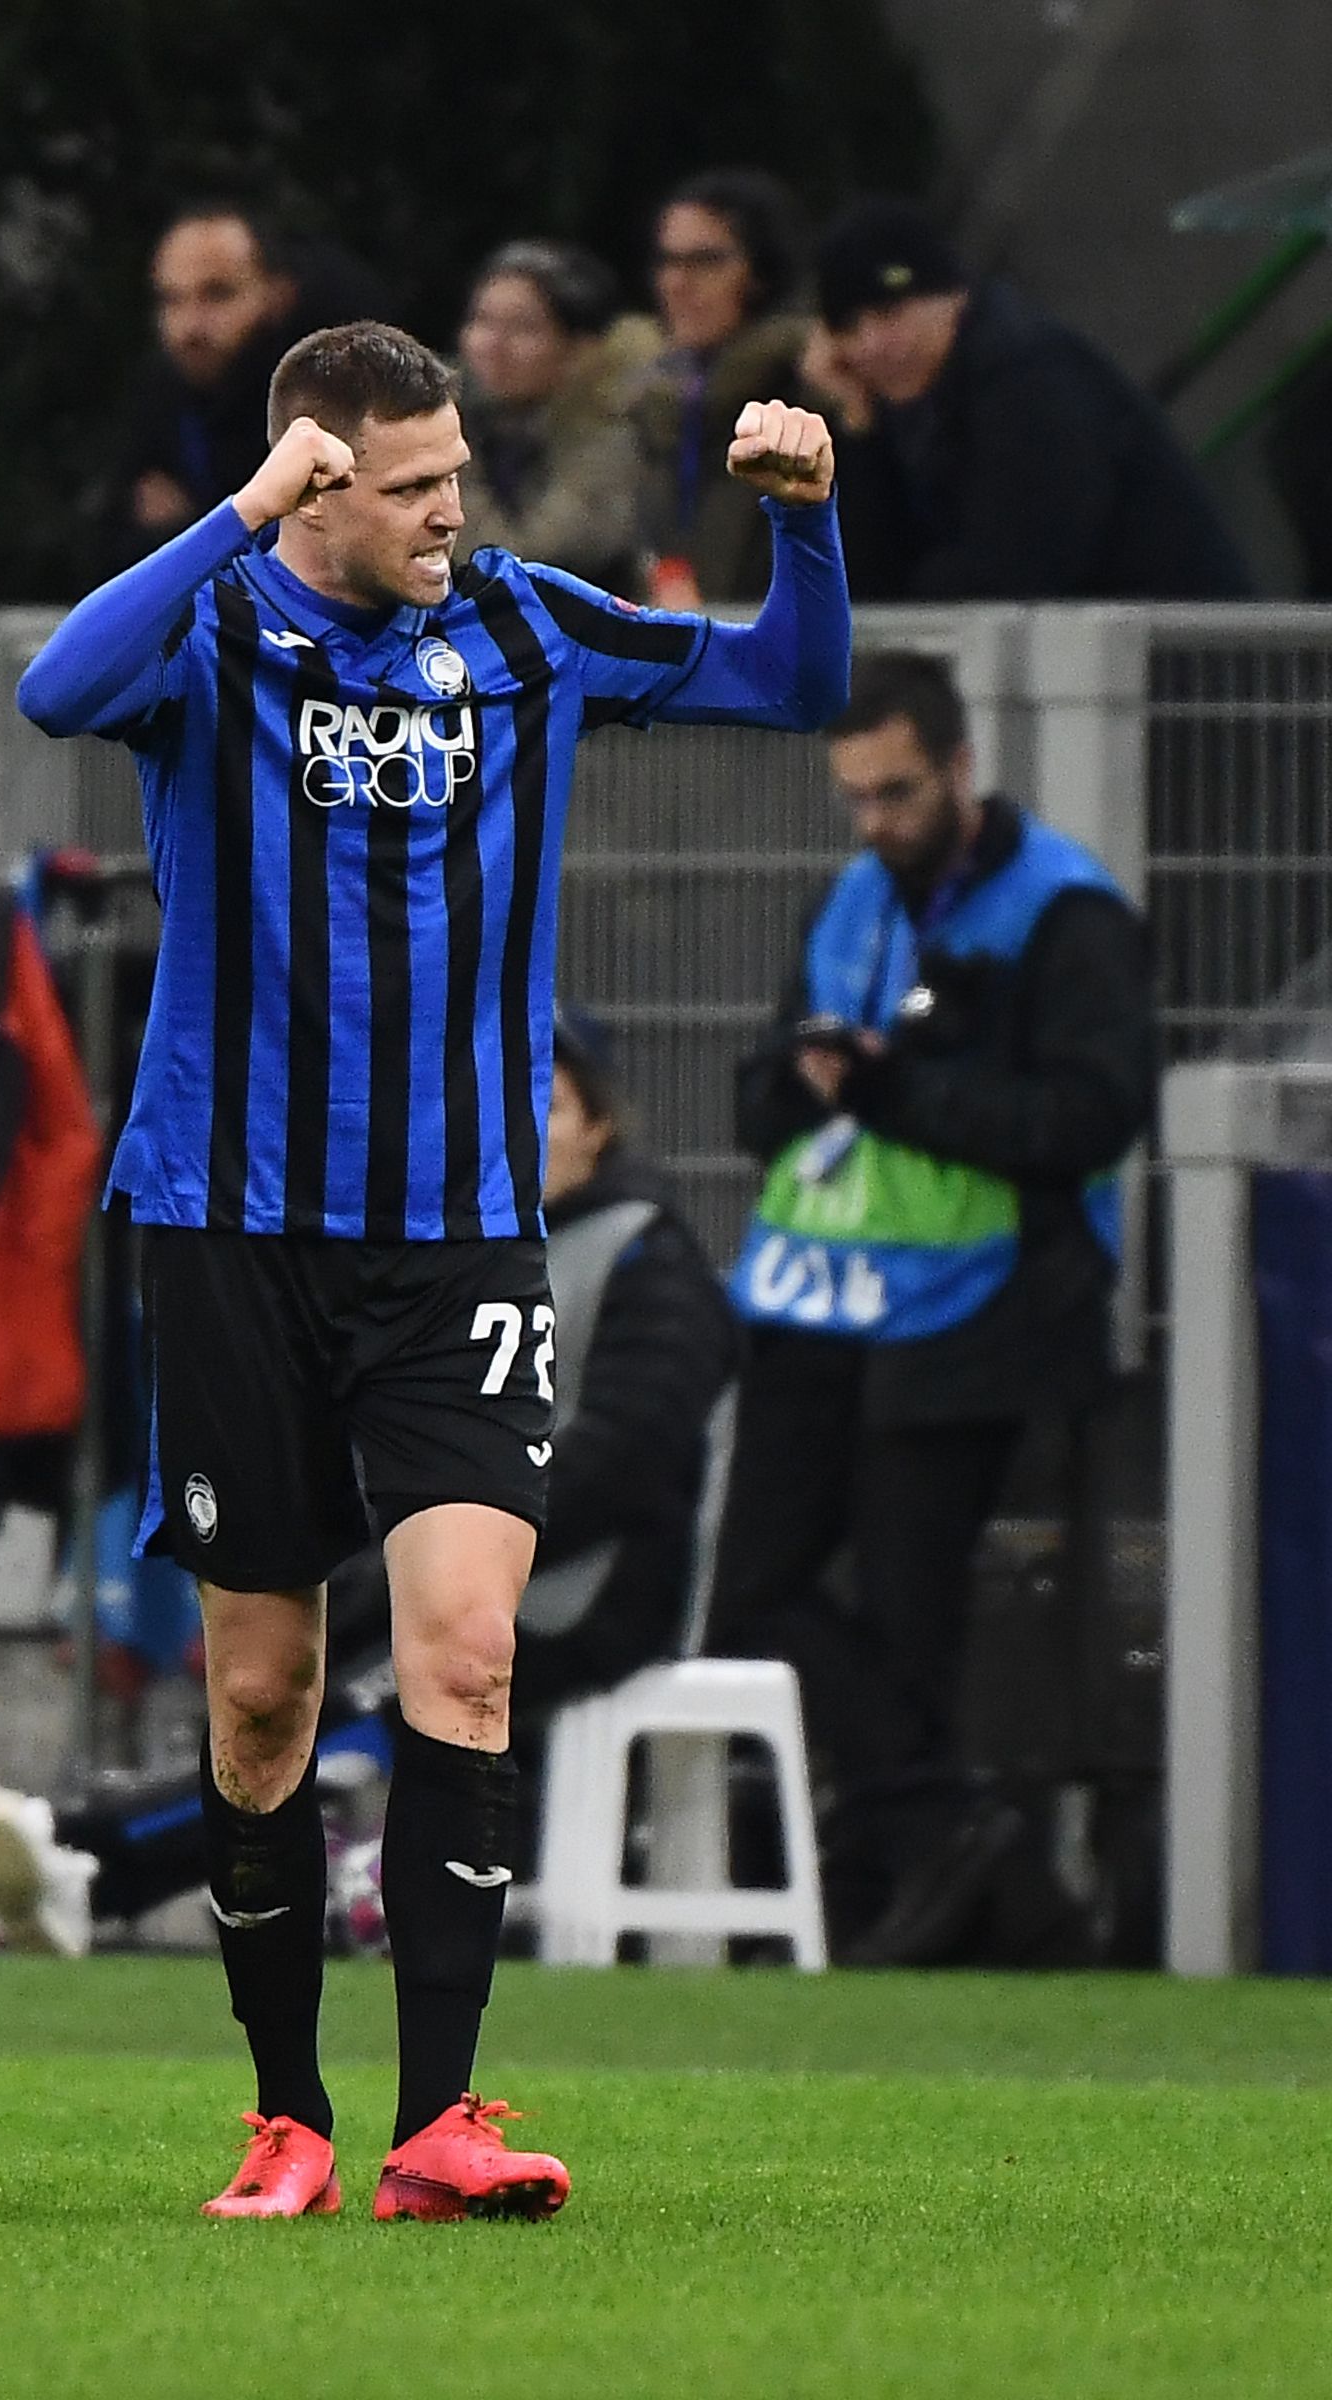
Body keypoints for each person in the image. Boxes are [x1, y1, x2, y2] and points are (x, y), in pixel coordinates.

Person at [17, 321, 847, 2220]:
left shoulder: (526, 628)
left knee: (468, 1651)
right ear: (315, 487)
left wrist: (806, 521)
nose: (449, 512)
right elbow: (61, 688)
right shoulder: (216, 628)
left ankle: (442, 2122)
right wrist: (238, 512)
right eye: (408, 488)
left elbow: (794, 679)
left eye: (456, 473)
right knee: (261, 1692)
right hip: (231, 1228)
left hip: (459, 1233)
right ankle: (287, 2120)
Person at [0, 1014, 740, 1954]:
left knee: (370, 1702)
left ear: (598, 1127)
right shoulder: (474, 1256)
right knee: (294, 1660)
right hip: (474, 1576)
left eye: (548, 1104)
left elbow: (626, 1459)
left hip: (593, 1594)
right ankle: (85, 1873)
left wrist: (451, 1550)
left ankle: (77, 1855)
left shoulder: (648, 1257)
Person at [705, 649, 1150, 1953]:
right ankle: (952, 1837)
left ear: (961, 767)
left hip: (975, 1313)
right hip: (820, 1296)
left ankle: (926, 1890)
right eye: (854, 796)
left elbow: (1091, 1120)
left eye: (896, 794)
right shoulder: (853, 898)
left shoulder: (1066, 915)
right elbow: (764, 1100)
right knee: (753, 1596)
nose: (875, 823)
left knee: (912, 1622)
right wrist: (799, 1086)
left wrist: (895, 1089)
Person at [805, 197, 1248, 602]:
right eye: (848, 328)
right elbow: (863, 586)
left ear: (954, 298)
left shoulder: (1026, 376)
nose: (872, 344)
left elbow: (1011, 570)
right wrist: (858, 422)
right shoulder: (909, 407)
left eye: (890, 313)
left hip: (1183, 654)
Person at [114, 204, 395, 554]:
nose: (190, 325)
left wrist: (183, 524)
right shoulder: (159, 397)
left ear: (279, 293)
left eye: (217, 294)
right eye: (172, 299)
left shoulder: (328, 396)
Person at [630, 169, 815, 608]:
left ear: (762, 272)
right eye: (668, 261)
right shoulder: (654, 400)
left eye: (706, 261)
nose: (677, 282)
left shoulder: (807, 395)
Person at [457, 241, 654, 594]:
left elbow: (529, 564)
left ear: (579, 349)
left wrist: (452, 473)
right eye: (482, 321)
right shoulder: (462, 425)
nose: (493, 345)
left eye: (523, 327)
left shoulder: (608, 437)